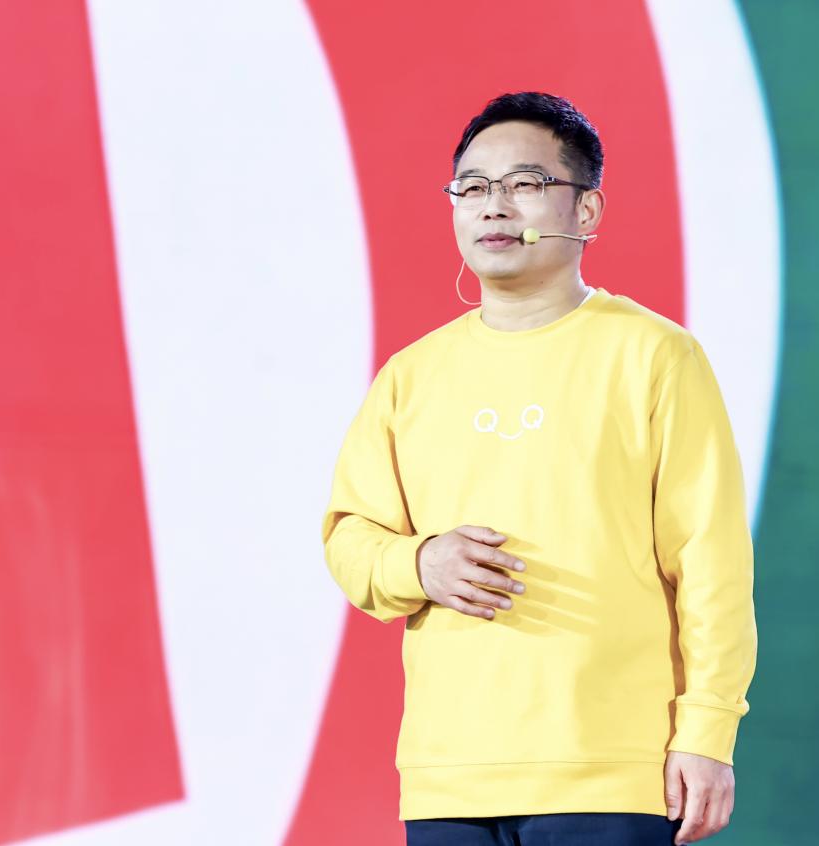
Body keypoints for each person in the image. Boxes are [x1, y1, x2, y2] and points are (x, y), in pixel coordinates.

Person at [322, 91, 757, 846]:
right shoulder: (411, 376)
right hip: (448, 776)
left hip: (612, 770)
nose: (494, 206)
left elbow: (710, 561)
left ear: (586, 209)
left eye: (525, 183)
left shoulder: (654, 355)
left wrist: (708, 731)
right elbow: (349, 537)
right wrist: (418, 562)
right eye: (472, 188)